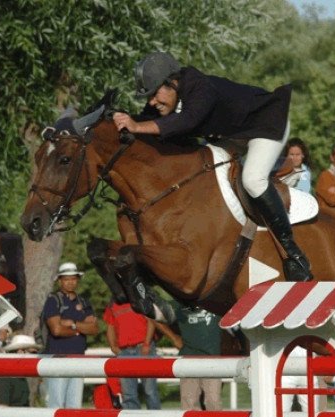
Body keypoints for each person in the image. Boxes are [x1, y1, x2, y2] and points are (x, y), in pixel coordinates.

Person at [113, 52, 313, 281]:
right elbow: (143, 122)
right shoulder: (169, 98)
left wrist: (137, 127)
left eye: (154, 94)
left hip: (266, 124)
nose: (151, 103)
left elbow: (185, 122)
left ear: (172, 83)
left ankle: (294, 254)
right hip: (234, 133)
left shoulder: (201, 88)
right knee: (203, 168)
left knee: (253, 179)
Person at [41, 262, 98, 417]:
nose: (70, 282)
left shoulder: (84, 300)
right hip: (57, 358)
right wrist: (80, 327)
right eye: (67, 278)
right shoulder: (53, 300)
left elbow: (94, 328)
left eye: (74, 278)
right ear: (60, 280)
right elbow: (55, 330)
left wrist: (72, 324)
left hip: (78, 359)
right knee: (57, 405)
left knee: (74, 405)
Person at [104, 301, 163, 417]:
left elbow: (151, 320)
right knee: (128, 393)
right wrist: (113, 346)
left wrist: (147, 344)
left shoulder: (138, 299)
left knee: (150, 390)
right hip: (125, 350)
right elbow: (110, 326)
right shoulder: (112, 305)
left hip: (143, 347)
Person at [175, 305, 222, 417]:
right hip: (188, 359)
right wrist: (173, 338)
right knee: (189, 405)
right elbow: (154, 317)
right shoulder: (178, 302)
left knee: (214, 403)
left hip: (213, 360)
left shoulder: (214, 299)